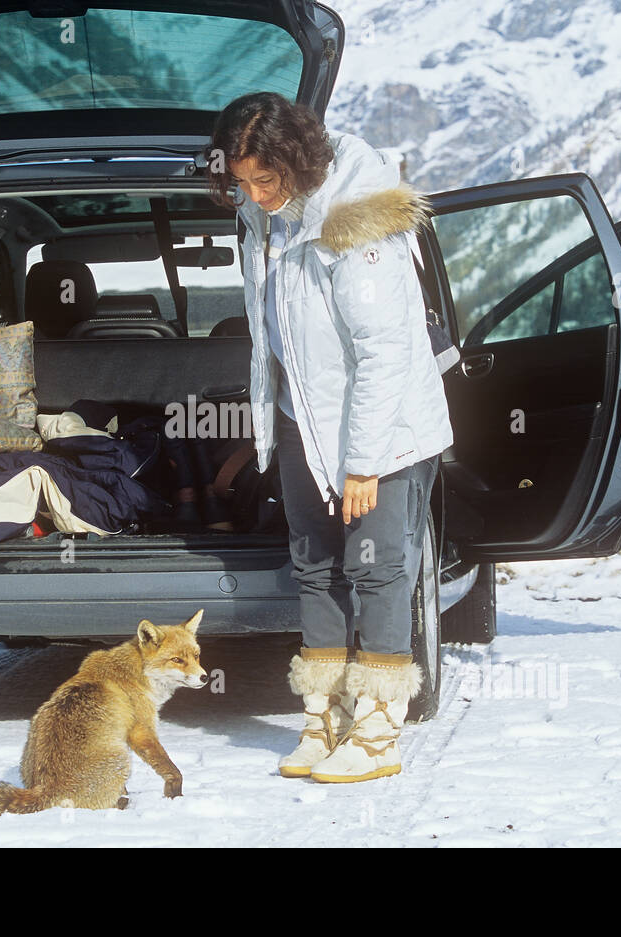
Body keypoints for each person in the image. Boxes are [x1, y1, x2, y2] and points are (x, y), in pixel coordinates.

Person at [206, 92, 456, 783]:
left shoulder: (356, 223)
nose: (254, 195)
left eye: (266, 180)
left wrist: (364, 463)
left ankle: (377, 731)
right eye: (243, 182)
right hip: (304, 420)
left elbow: (383, 355)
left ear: (298, 160)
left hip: (381, 427)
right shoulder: (269, 219)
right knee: (313, 562)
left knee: (376, 568)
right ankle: (324, 716)